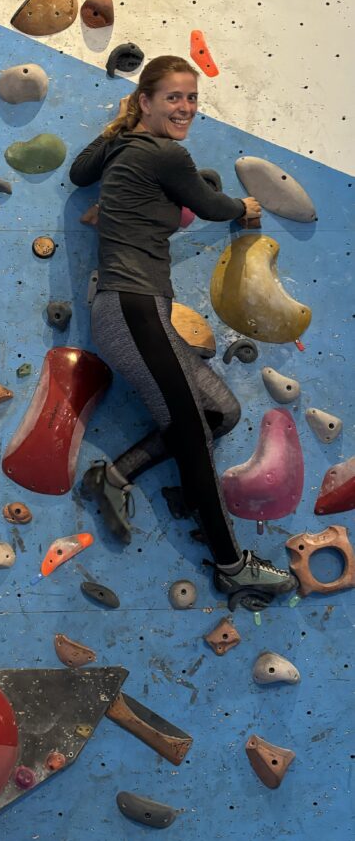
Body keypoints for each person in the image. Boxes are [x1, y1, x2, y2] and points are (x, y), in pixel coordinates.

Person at [69, 54, 297, 612]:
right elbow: (210, 203)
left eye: (192, 98)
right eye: (174, 97)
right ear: (145, 101)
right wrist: (243, 205)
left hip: (136, 307)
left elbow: (80, 172)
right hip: (133, 306)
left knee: (220, 414)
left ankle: (116, 474)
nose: (187, 108)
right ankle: (232, 566)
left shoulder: (124, 148)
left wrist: (121, 124)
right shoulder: (163, 152)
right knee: (192, 430)